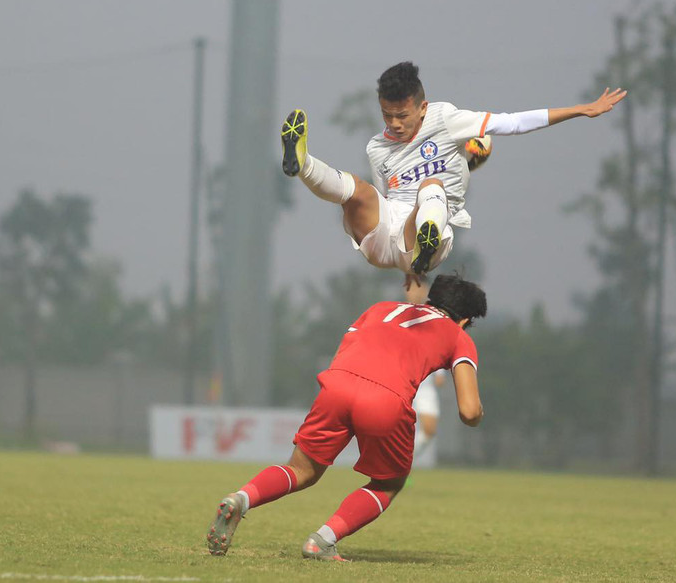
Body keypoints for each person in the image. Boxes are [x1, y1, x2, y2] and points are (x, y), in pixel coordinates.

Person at [206, 273, 487, 561]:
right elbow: (469, 411)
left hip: (337, 384)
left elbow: (347, 347)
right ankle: (322, 541)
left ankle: (241, 498)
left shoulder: (380, 308)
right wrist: (478, 414)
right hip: (385, 399)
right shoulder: (458, 336)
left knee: (300, 469)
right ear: (465, 320)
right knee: (388, 483)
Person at [280, 61, 626, 287]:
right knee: (358, 190)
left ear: (423, 107)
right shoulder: (377, 147)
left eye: (402, 115)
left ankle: (426, 243)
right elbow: (384, 199)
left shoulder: (446, 119)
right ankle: (302, 162)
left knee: (432, 187)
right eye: (387, 115)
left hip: (427, 229)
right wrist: (406, 267)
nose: (394, 124)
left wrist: (581, 109)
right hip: (387, 237)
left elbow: (513, 122)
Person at [404, 275, 444, 460]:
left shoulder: (433, 317)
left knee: (429, 430)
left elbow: (438, 345)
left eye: (420, 287)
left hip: (425, 384)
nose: (415, 291)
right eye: (412, 287)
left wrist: (440, 371)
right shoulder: (398, 314)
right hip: (402, 382)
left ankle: (404, 461)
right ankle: (393, 465)